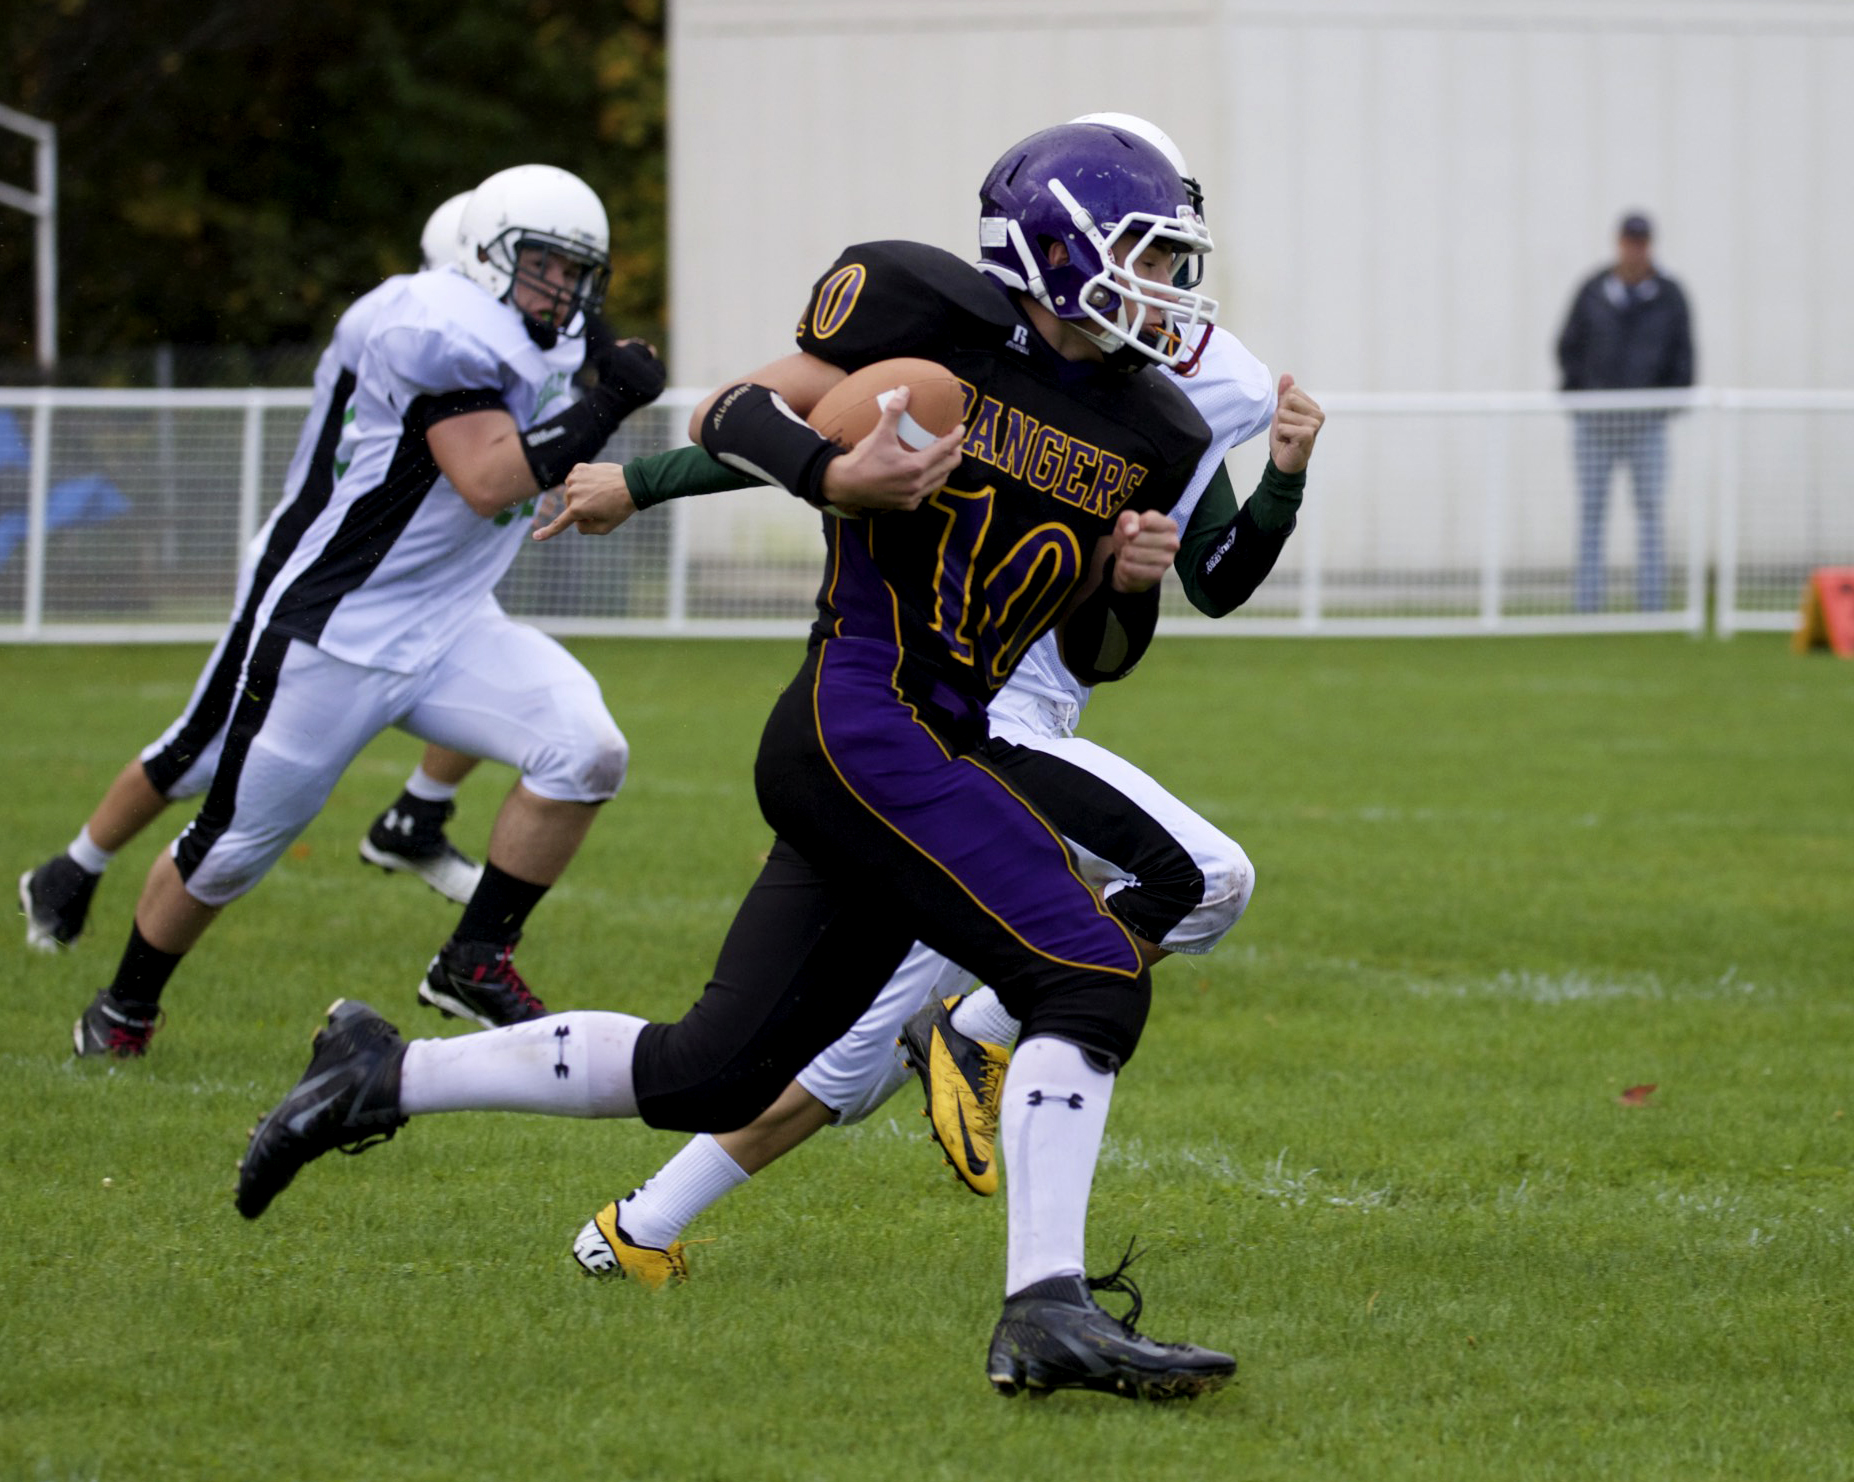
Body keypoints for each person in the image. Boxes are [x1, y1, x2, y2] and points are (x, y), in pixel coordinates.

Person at [237, 122, 1289, 1402]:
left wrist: (1131, 588)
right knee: (1083, 971)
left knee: (713, 1070)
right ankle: (1045, 1310)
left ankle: (381, 1072)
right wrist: (837, 473)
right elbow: (738, 408)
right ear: (1056, 245)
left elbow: (1097, 648)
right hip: (862, 714)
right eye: (1146, 252)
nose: (1170, 284)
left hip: (930, 739)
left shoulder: (1159, 429)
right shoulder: (927, 307)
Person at [539, 114, 1319, 1291]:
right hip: (958, 714)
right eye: (1148, 247)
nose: (1168, 280)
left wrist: (1281, 488)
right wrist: (640, 485)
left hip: (1023, 707)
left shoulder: (1202, 383)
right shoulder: (976, 328)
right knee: (1197, 882)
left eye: (1173, 248)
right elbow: (822, 415)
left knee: (850, 1051)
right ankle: (989, 1046)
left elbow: (1200, 580)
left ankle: (638, 1226)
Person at [64, 163, 666, 1058]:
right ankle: (122, 1010)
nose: (563, 288)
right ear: (486, 253)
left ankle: (474, 956)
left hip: (453, 620)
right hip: (342, 627)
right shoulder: (434, 327)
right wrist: (612, 403)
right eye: (544, 264)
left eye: (577, 271)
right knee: (230, 851)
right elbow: (487, 478)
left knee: (586, 750)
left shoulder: (537, 340)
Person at [20, 192, 495, 963]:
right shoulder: (404, 322)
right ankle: (71, 868)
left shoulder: (459, 324)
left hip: (406, 566)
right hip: (317, 562)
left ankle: (418, 815)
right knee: (205, 741)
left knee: (504, 667)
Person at [1555, 211, 1695, 612]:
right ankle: (1587, 607)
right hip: (1595, 421)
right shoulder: (1593, 289)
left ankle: (1652, 606)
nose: (1634, 250)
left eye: (1641, 242)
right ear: (1618, 243)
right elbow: (1568, 348)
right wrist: (1582, 396)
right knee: (1592, 511)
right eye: (1628, 241)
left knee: (1650, 511)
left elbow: (1683, 356)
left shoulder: (1669, 295)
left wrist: (1664, 403)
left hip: (1647, 422)